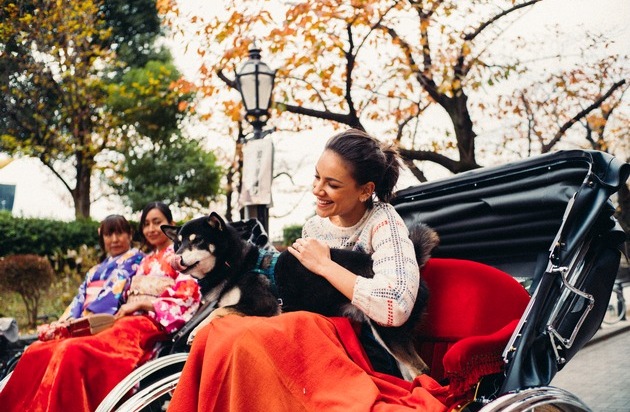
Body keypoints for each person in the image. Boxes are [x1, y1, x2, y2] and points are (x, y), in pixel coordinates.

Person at [167, 129, 448, 411]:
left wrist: (325, 266)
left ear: (365, 190)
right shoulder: (314, 226)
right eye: (317, 177)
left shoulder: (384, 223)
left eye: (333, 185)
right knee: (234, 337)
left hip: (366, 343)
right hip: (321, 342)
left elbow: (395, 306)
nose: (317, 190)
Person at [0, 204, 201, 412]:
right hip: (124, 319)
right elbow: (115, 295)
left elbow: (186, 296)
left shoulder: (177, 258)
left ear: (172, 224)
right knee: (38, 350)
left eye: (157, 223)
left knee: (72, 351)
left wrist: (142, 304)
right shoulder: (147, 260)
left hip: (148, 323)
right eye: (146, 224)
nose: (151, 229)